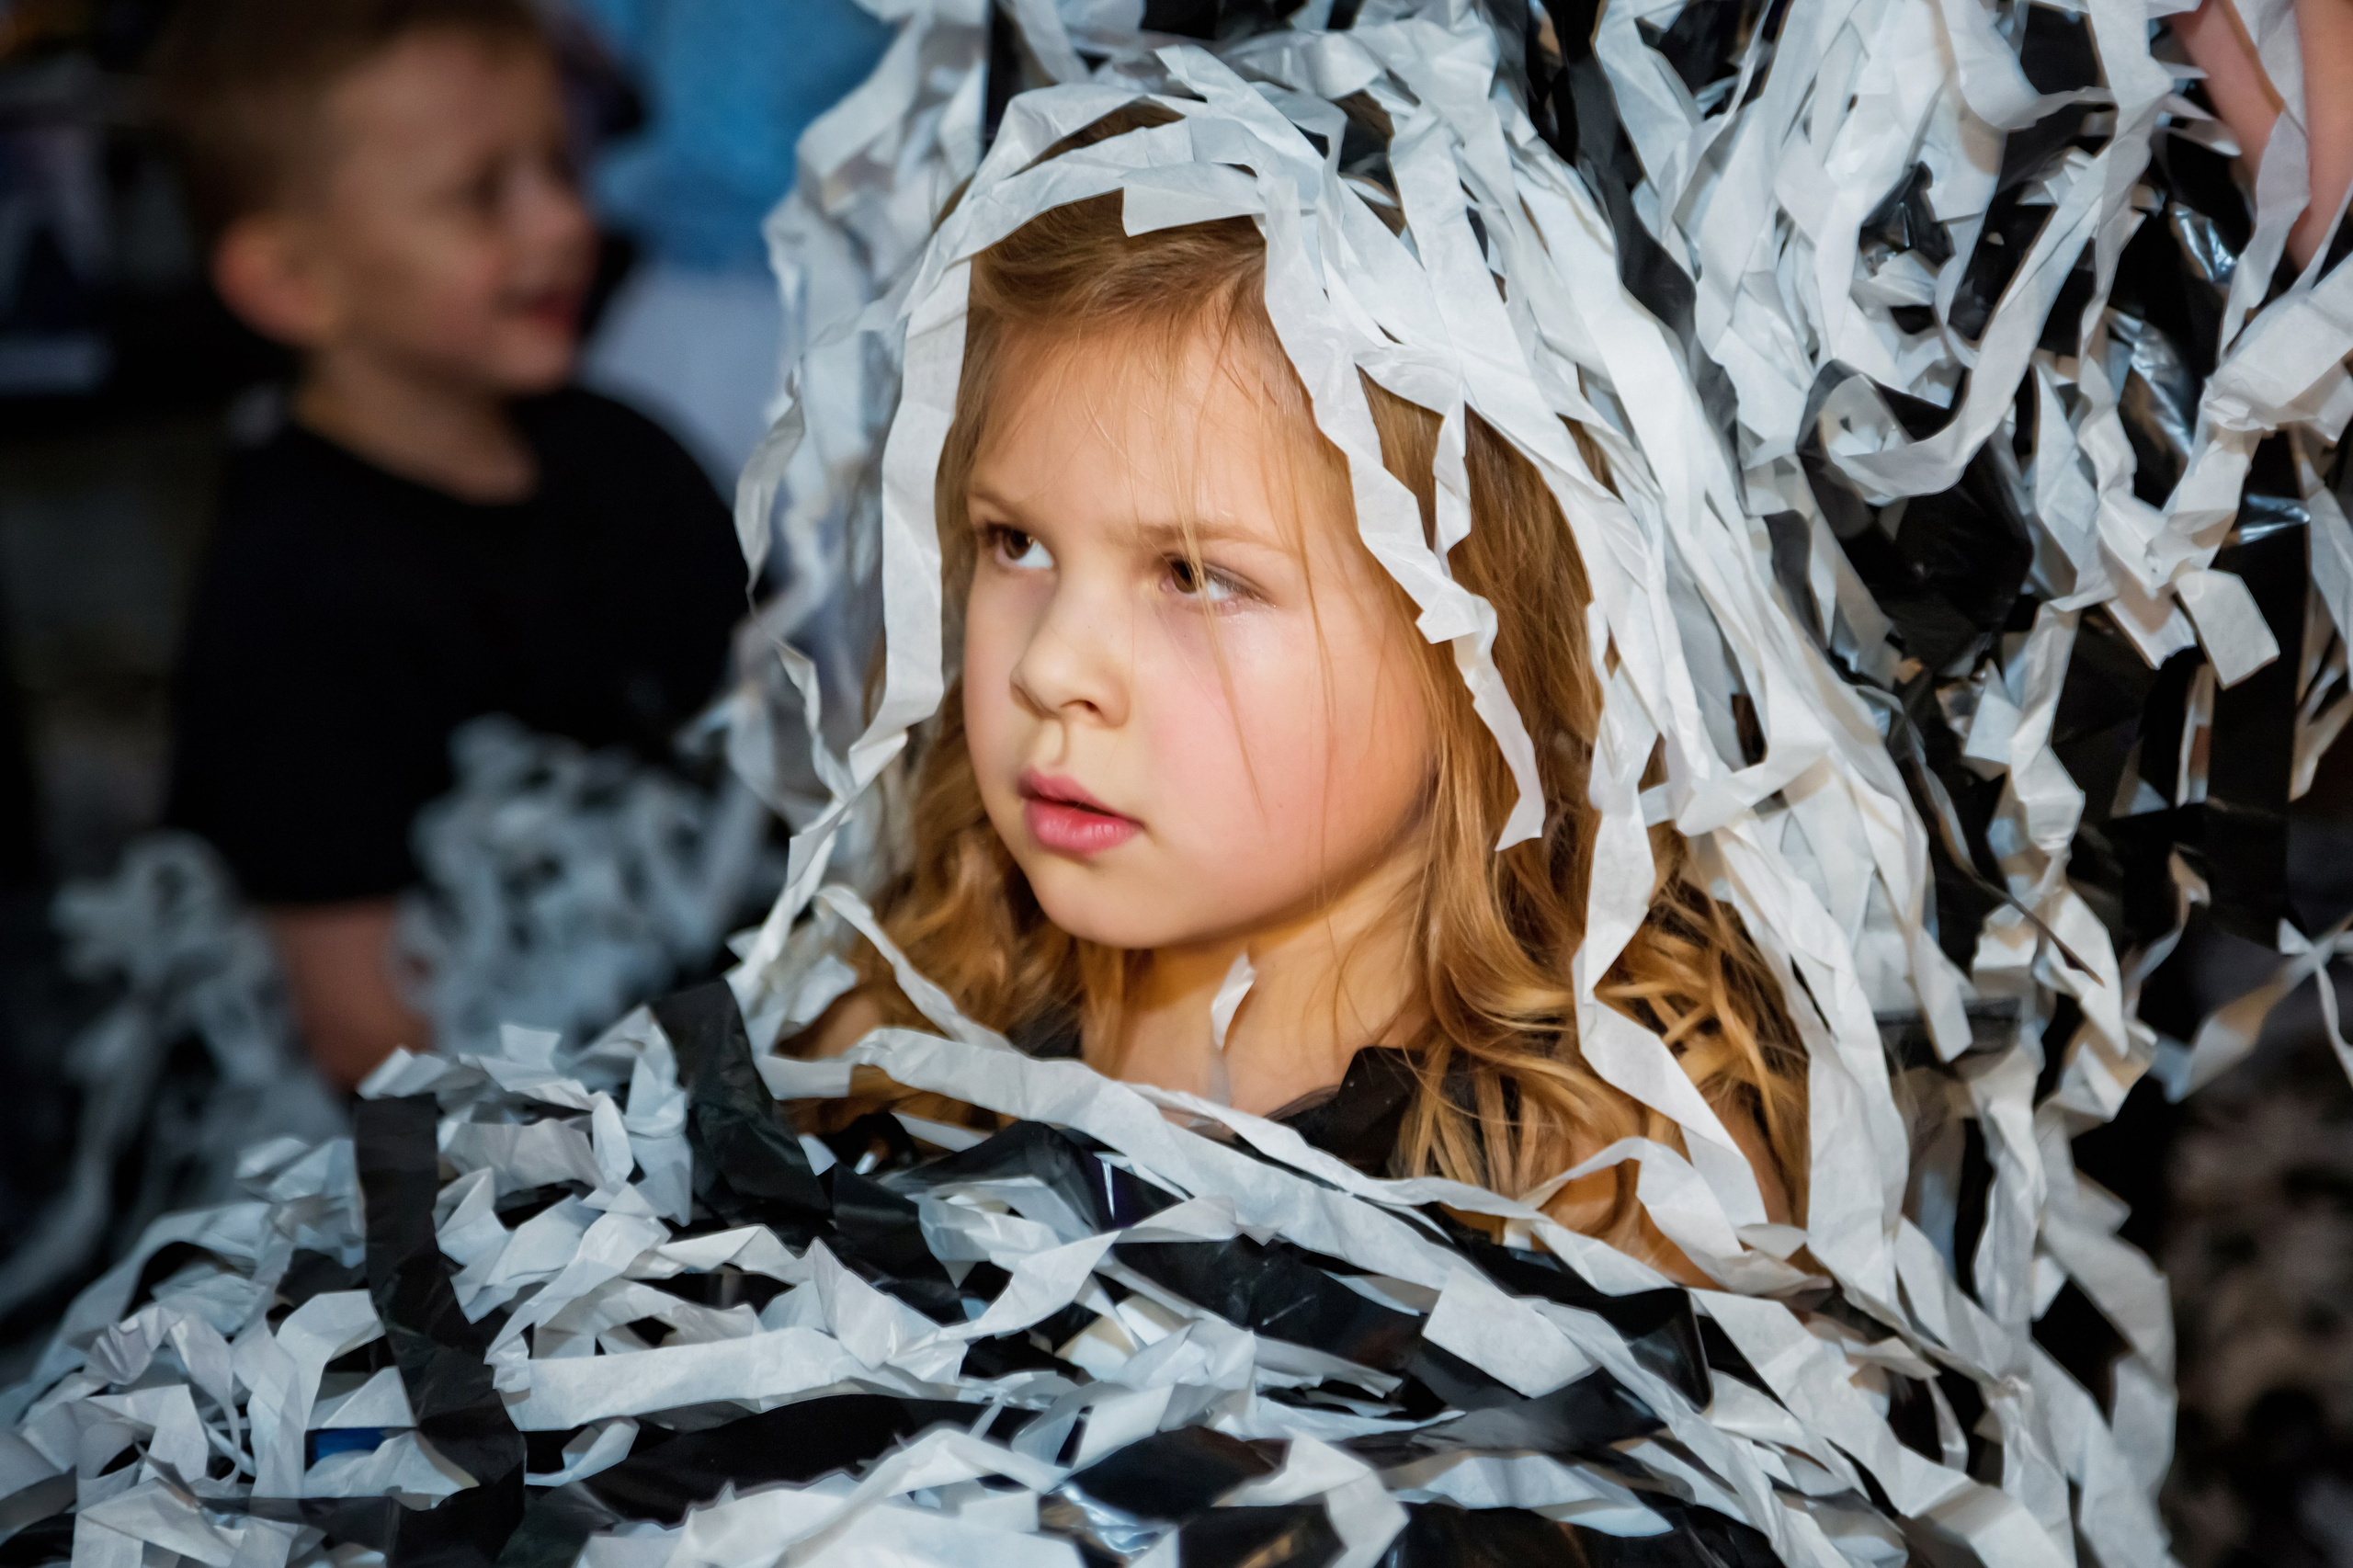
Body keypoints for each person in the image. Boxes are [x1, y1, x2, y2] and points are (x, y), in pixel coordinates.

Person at [786, 112, 1804, 1285]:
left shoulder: (1606, 1198)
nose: (1049, 668)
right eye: (1016, 542)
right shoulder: (895, 1058)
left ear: (1474, 634)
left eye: (1194, 574)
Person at [150, 0, 745, 1091]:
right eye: (481, 194)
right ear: (293, 281)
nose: (563, 222)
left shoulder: (629, 456)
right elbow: (360, 1028)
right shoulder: (295, 597)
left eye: (561, 165)